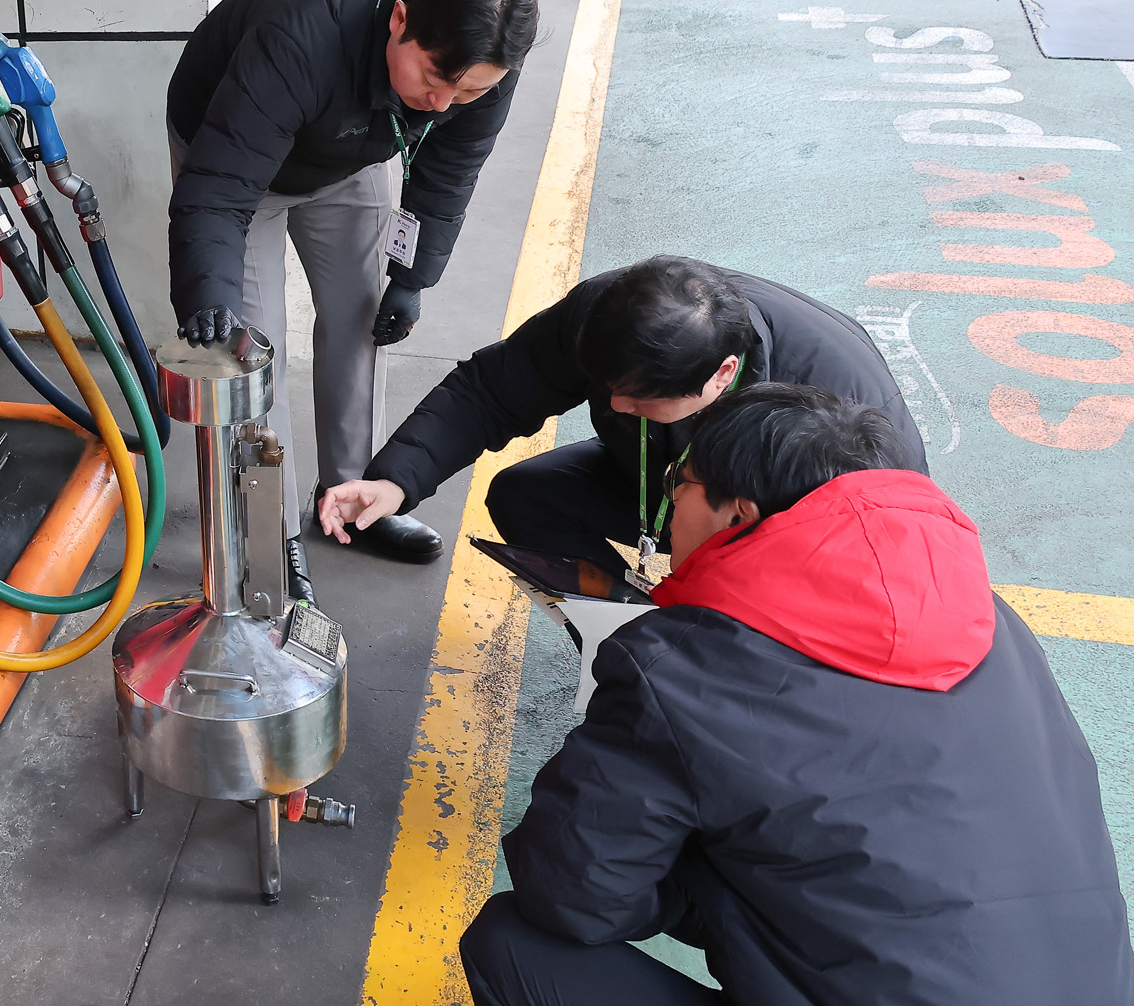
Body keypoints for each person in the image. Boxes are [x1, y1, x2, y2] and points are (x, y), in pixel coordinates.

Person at [458, 383, 1133, 1006]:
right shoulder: (990, 619)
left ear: (739, 515)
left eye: (680, 484)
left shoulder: (683, 664)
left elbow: (572, 896)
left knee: (510, 942)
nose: (670, 509)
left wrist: (710, 894)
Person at [167, 0, 540, 600]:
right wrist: (208, 291)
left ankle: (355, 496)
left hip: (354, 145)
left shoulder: (479, 63)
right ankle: (263, 537)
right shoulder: (301, 40)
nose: (445, 103)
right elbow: (220, 188)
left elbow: (448, 170)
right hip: (237, 159)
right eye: (436, 77)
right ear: (399, 20)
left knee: (364, 314)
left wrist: (412, 275)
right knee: (250, 353)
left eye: (470, 91)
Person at [320, 256, 928, 574]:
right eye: (608, 388)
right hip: (674, 487)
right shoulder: (609, 314)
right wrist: (395, 478)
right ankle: (620, 629)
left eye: (639, 401)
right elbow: (493, 389)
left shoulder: (834, 398)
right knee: (526, 496)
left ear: (721, 376)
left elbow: (877, 549)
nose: (613, 407)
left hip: (788, 536)